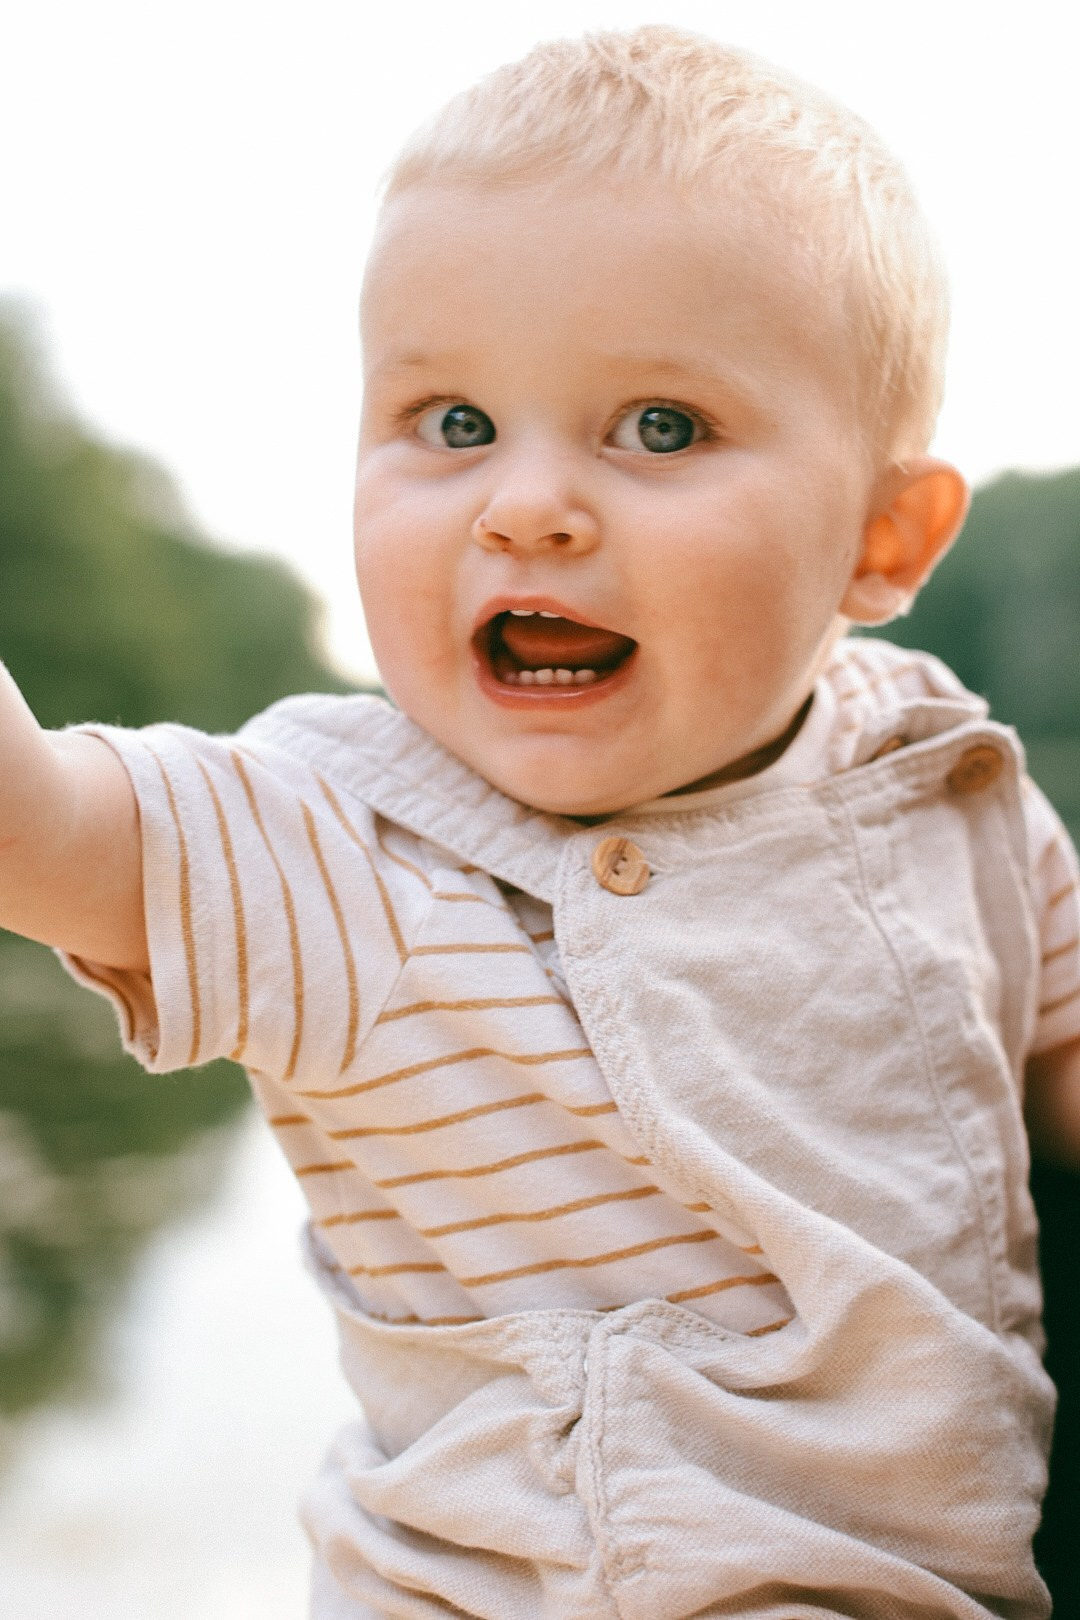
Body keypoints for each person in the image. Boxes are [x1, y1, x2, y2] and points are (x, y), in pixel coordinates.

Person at [2, 25, 1079, 1618]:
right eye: (452, 425)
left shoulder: (939, 771)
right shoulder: (334, 840)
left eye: (658, 427)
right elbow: (38, 822)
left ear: (881, 536)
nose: (525, 504)